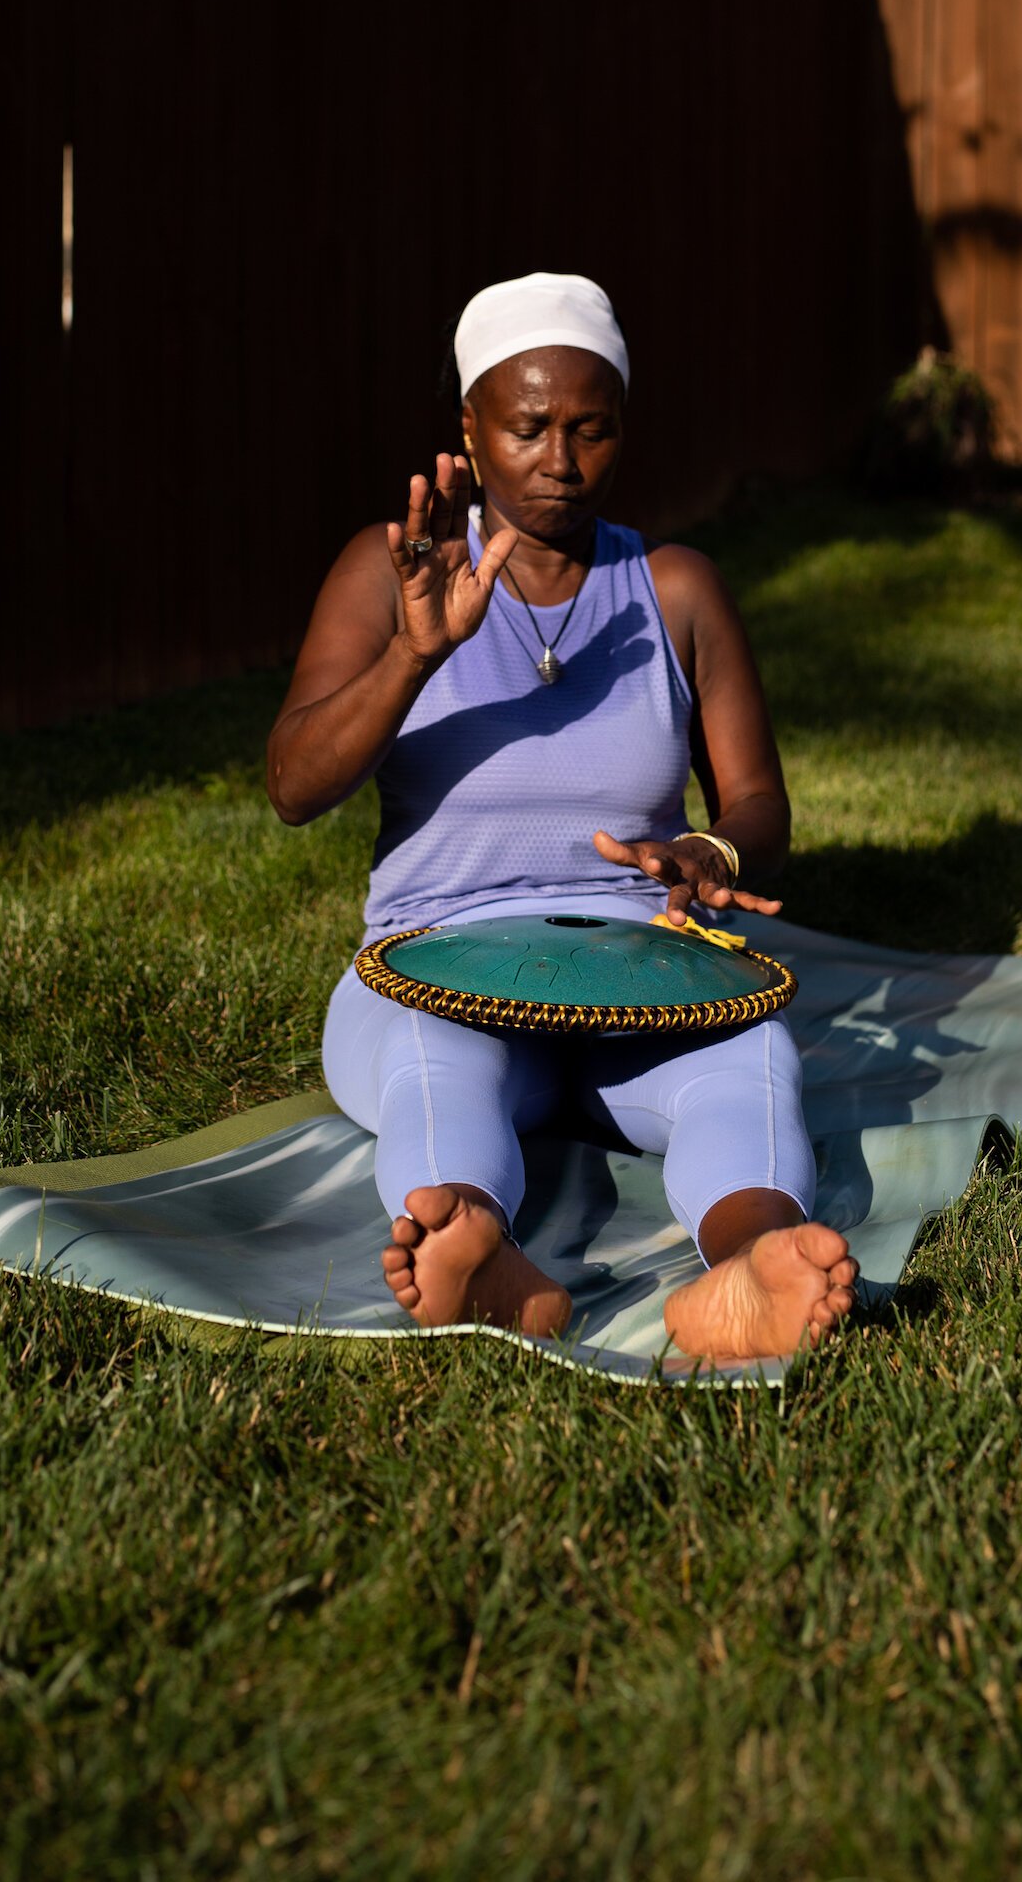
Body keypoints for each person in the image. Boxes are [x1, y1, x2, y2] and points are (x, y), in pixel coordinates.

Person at [267, 273, 856, 1360]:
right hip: (435, 963)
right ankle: (475, 1243)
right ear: (469, 427)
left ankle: (752, 1267)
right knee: (436, 1069)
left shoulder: (674, 588)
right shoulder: (389, 570)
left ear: (623, 427)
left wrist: (709, 849)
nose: (561, 459)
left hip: (643, 967)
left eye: (591, 429)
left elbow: (760, 805)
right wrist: (414, 653)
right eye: (527, 426)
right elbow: (295, 787)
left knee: (751, 1055)